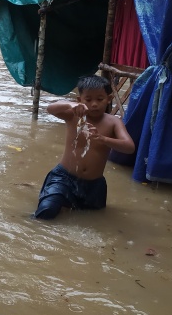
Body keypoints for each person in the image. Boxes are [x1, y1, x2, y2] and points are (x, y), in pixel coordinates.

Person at [34, 75, 135, 219]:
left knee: (93, 220)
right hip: (64, 178)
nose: (94, 104)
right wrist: (70, 105)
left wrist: (103, 139)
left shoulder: (113, 122)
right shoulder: (72, 115)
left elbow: (129, 147)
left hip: (94, 185)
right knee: (46, 210)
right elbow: (50, 108)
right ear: (79, 100)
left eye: (100, 99)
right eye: (88, 100)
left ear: (109, 98)